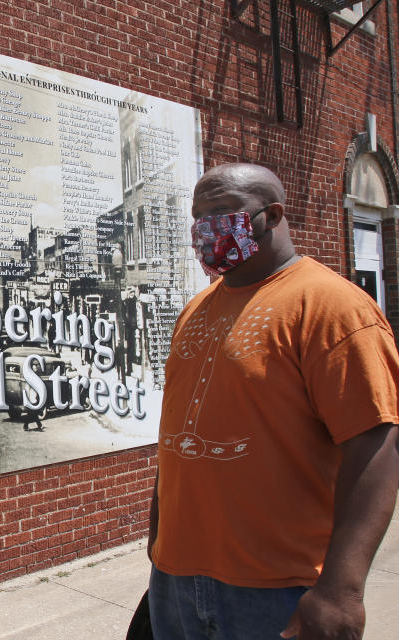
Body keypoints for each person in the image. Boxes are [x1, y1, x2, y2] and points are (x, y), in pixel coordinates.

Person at [147, 163, 399, 639]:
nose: (206, 229)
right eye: (198, 216)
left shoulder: (331, 307)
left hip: (278, 588)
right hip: (176, 579)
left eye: (222, 212)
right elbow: (179, 429)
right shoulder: (196, 309)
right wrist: (158, 534)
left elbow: (377, 445)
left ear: (273, 215)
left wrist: (342, 591)